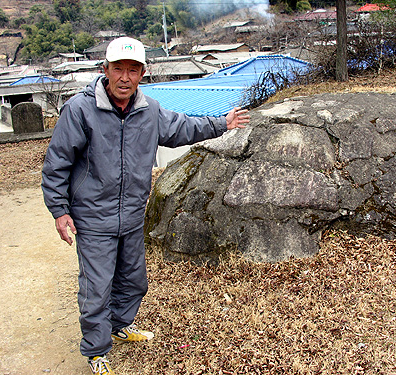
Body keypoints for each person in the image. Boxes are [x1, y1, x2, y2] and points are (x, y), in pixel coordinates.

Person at [41, 36, 249, 375]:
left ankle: (120, 325)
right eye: (118, 69)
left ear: (143, 73)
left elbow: (183, 127)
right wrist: (60, 211)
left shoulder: (149, 110)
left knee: (134, 281)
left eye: (133, 70)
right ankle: (96, 351)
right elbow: (57, 163)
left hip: (132, 215)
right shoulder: (80, 110)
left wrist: (221, 123)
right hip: (93, 218)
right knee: (97, 288)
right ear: (104, 70)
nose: (125, 78)